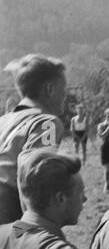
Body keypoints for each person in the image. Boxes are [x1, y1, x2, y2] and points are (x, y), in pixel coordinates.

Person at [0, 56, 68, 224]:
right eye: (63, 89)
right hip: (10, 211)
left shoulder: (3, 120)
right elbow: (38, 180)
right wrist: (25, 233)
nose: (65, 95)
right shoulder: (47, 122)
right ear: (50, 89)